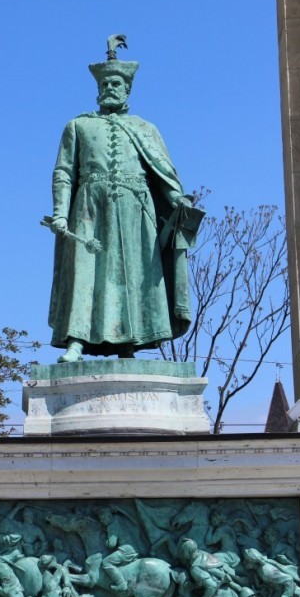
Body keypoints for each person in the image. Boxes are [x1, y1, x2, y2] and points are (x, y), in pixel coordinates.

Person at [48, 35, 203, 362]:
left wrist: (177, 199)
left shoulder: (146, 128)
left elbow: (163, 173)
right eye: (106, 83)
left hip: (136, 211)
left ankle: (129, 343)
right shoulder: (77, 126)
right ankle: (76, 339)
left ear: (128, 90)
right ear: (98, 88)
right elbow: (64, 172)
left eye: (117, 83)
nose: (111, 88)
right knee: (85, 272)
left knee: (133, 275)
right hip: (89, 209)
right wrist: (60, 212)